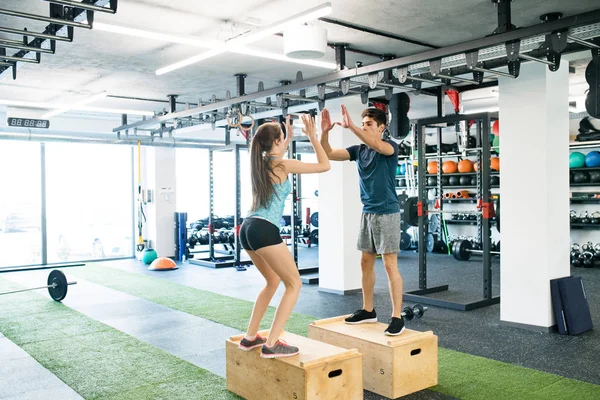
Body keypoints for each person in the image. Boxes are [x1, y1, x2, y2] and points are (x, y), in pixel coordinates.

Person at [238, 114, 330, 358]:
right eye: (282, 139)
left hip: (247, 228)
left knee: (272, 282)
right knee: (294, 283)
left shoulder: (262, 163)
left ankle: (250, 337)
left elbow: (276, 151)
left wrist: (286, 137)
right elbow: (324, 165)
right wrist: (312, 137)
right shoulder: (282, 165)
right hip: (265, 229)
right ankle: (272, 343)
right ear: (276, 142)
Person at [320, 105, 405, 336]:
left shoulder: (389, 147)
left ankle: (397, 317)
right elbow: (328, 153)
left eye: (369, 124)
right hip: (367, 212)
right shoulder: (359, 151)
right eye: (364, 123)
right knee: (365, 262)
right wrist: (325, 132)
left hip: (387, 212)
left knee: (389, 265)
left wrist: (352, 127)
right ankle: (369, 310)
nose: (366, 127)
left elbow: (376, 145)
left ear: (381, 128)